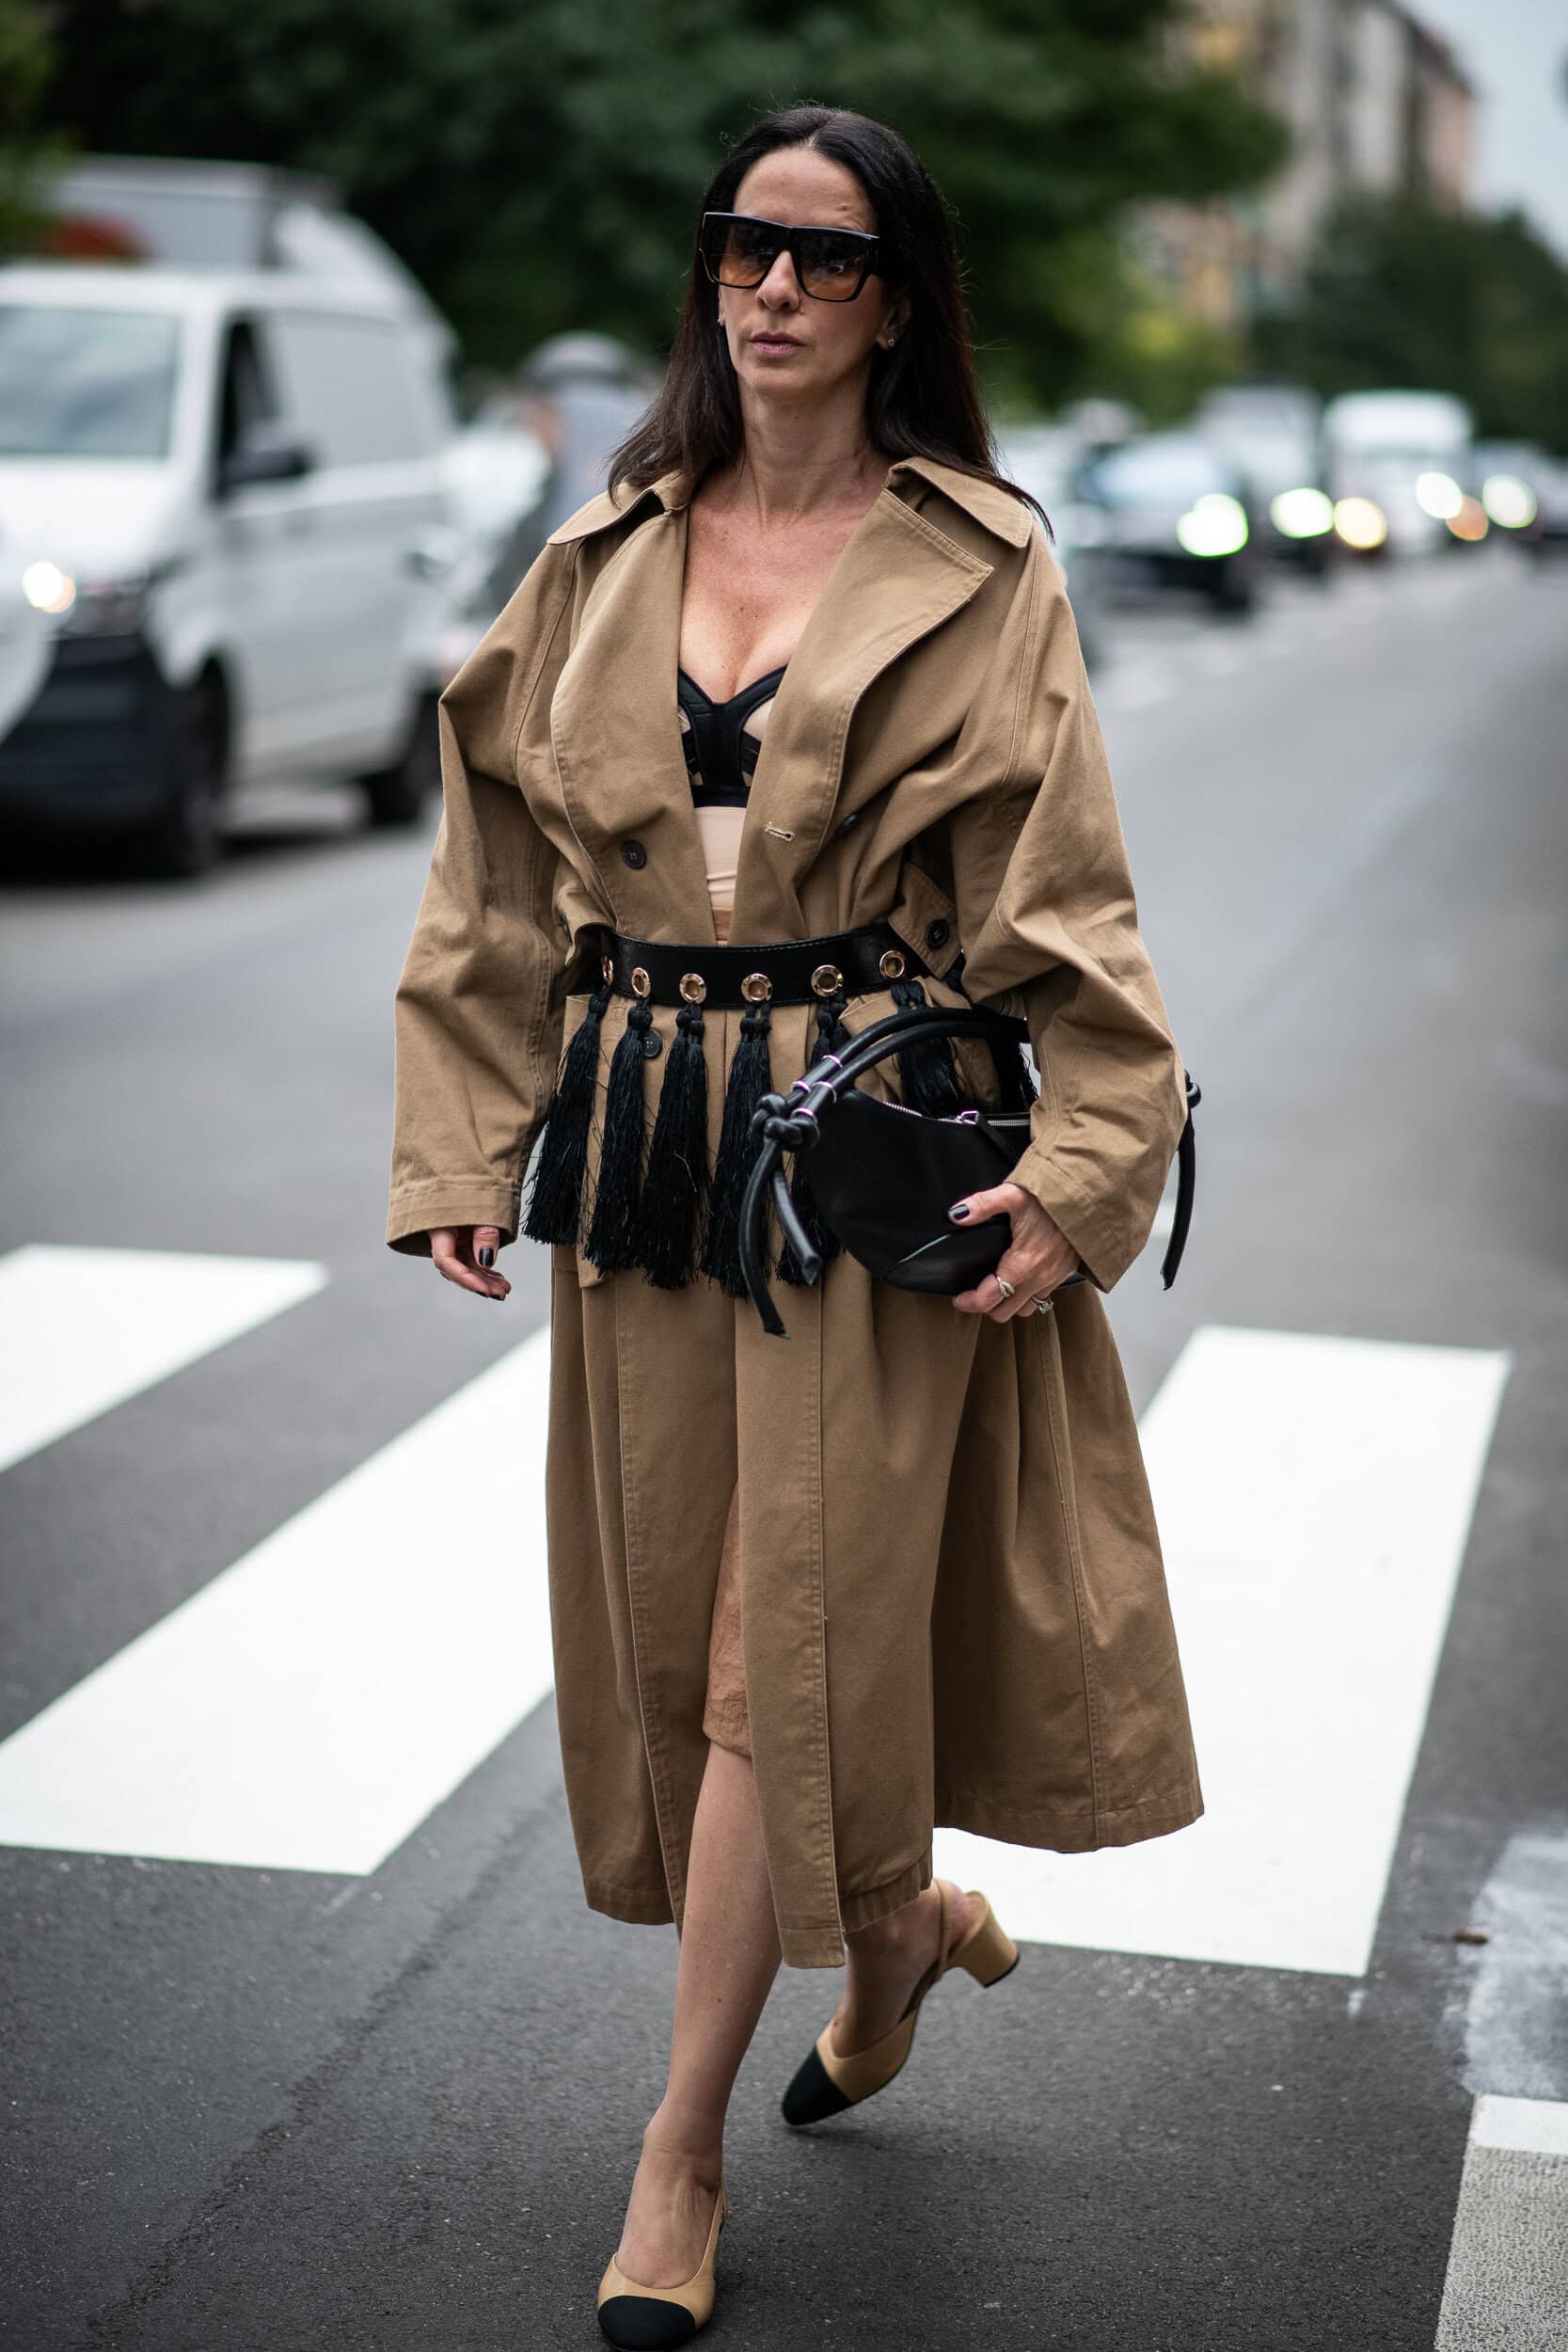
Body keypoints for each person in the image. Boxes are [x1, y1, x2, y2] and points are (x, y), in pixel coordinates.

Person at [387, 103, 1201, 2349]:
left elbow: (1067, 896)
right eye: (742, 243)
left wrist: (1085, 1166)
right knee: (686, 1629)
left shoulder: (979, 562)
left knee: (780, 1638)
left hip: (861, 1155)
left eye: (823, 257)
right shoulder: (601, 551)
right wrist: (463, 1143)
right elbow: (489, 878)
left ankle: (679, 2146)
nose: (770, 286)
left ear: (895, 299)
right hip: (649, 1151)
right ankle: (900, 1928)